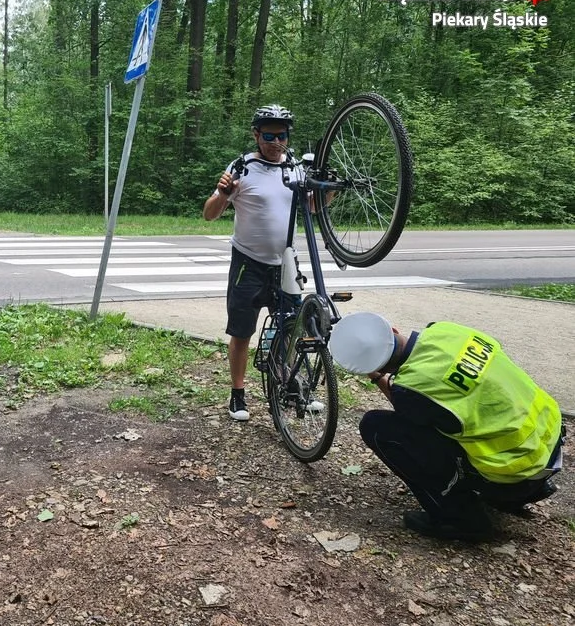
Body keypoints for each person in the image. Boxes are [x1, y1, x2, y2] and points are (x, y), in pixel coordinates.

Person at [329, 312, 565, 542]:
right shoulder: (445, 330)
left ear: (374, 367)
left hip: (515, 474)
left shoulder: (411, 389)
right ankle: (527, 491)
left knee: (376, 426)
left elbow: (410, 419)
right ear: (393, 329)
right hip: (549, 441)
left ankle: (461, 519)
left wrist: (376, 377)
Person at [203, 104, 299, 421]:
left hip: (285, 263)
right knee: (242, 331)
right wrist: (222, 194)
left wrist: (330, 191)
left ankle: (289, 383)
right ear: (257, 135)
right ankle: (238, 394)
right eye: (269, 136)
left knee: (290, 327)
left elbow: (313, 207)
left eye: (281, 135)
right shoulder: (242, 167)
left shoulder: (295, 167)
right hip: (248, 261)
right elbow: (210, 214)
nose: (276, 142)